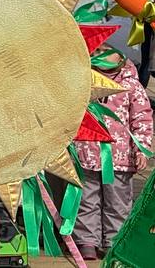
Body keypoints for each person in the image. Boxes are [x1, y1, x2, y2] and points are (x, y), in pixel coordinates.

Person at [71, 47, 154, 260]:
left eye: (108, 50)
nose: (102, 53)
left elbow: (142, 118)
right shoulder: (83, 80)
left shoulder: (130, 84)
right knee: (86, 200)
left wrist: (142, 149)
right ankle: (87, 240)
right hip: (86, 154)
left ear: (122, 56)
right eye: (97, 49)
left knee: (117, 202)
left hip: (120, 159)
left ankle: (113, 241)